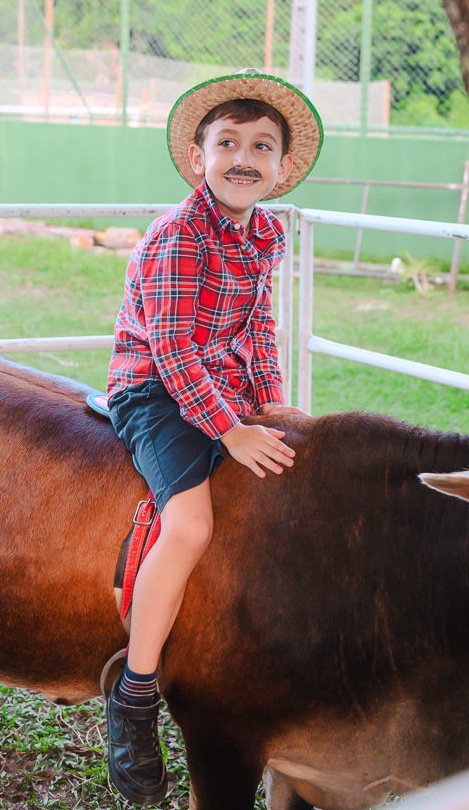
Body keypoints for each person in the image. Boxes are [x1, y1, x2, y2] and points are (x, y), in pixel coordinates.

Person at [105, 69, 323, 805]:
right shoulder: (178, 236)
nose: (243, 157)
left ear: (282, 168)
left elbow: (256, 327)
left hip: (221, 388)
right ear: (197, 157)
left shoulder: (263, 232)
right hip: (154, 392)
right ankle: (134, 694)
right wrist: (230, 431)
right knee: (192, 523)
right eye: (226, 142)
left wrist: (272, 409)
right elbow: (170, 351)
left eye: (262, 145)